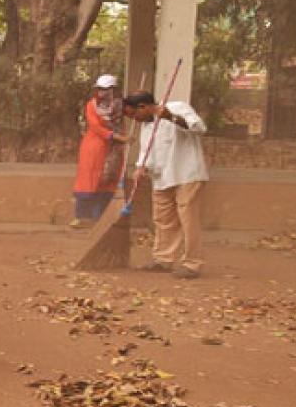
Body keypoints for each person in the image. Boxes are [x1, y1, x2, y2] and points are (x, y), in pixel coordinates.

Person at [124, 91, 209, 279]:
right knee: (162, 220)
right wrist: (141, 168)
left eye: (133, 115)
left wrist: (170, 117)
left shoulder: (176, 107)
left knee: (188, 219)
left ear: (143, 107)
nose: (133, 120)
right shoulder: (146, 127)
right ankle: (163, 259)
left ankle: (192, 264)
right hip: (162, 178)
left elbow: (199, 128)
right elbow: (147, 153)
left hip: (187, 173)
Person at [71, 75, 129, 228]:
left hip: (113, 149)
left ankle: (99, 218)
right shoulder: (92, 105)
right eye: (100, 89)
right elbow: (95, 126)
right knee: (88, 182)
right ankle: (81, 217)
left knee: (108, 181)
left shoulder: (121, 105)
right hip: (94, 147)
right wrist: (114, 135)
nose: (102, 93)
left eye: (106, 90)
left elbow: (134, 113)